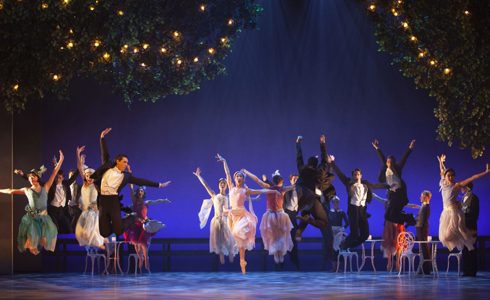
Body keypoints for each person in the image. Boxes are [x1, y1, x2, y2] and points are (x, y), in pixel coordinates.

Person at [90, 128, 171, 238]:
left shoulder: (126, 176)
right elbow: (104, 153)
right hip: (103, 200)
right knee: (104, 233)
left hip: (113, 200)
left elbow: (141, 181)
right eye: (124, 162)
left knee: (118, 231)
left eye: (127, 162)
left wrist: (159, 185)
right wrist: (102, 138)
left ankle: (131, 217)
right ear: (117, 161)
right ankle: (112, 224)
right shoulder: (107, 167)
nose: (126, 164)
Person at [216, 153, 280, 274]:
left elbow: (261, 190)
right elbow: (227, 174)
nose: (238, 178)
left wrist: (273, 191)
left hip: (242, 214)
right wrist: (224, 161)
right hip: (233, 215)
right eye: (237, 176)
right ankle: (242, 262)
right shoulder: (231, 187)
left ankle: (242, 260)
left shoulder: (246, 190)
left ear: (243, 179)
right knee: (240, 244)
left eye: (241, 176)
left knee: (241, 231)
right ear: (235, 179)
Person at [1, 151, 64, 254]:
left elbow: (54, 173)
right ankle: (32, 244)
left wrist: (61, 160)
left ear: (38, 178)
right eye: (30, 177)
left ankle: (40, 240)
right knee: (31, 246)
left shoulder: (46, 187)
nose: (31, 178)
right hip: (32, 218)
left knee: (47, 238)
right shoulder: (27, 190)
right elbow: (11, 191)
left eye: (33, 176)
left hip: (44, 218)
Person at [328, 154, 388, 250]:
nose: (356, 176)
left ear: (361, 175)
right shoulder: (349, 183)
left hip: (362, 210)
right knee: (354, 234)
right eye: (355, 174)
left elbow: (376, 186)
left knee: (365, 235)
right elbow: (340, 174)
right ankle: (344, 244)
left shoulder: (365, 184)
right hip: (353, 210)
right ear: (353, 176)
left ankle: (347, 245)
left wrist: (388, 186)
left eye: (358, 174)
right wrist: (333, 163)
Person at [243, 169, 294, 267]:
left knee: (275, 236)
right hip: (278, 214)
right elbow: (294, 186)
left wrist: (247, 172)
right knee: (279, 235)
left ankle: (277, 254)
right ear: (281, 182)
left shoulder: (270, 187)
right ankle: (278, 254)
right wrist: (293, 183)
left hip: (273, 215)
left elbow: (257, 180)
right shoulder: (281, 188)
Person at [437, 154, 488, 252]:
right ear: (446, 176)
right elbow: (442, 171)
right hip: (445, 212)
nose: (451, 177)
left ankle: (469, 234)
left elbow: (472, 178)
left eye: (452, 175)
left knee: (456, 233)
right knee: (444, 237)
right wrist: (441, 162)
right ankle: (468, 233)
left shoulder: (457, 186)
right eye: (449, 175)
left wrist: (485, 172)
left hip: (454, 213)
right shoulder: (443, 183)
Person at [124, 181, 169, 273]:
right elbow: (131, 190)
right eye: (139, 191)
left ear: (143, 193)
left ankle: (146, 261)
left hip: (144, 225)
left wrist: (164, 200)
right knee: (137, 244)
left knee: (144, 244)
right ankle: (140, 259)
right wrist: (130, 181)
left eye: (142, 191)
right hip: (136, 225)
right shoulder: (135, 202)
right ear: (138, 192)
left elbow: (156, 201)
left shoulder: (146, 203)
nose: (141, 192)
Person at [194, 167, 237, 264]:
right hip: (217, 221)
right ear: (218, 185)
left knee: (230, 243)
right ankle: (223, 266)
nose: (222, 184)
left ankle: (232, 265)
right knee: (219, 244)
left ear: (226, 186)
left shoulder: (228, 197)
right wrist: (199, 176)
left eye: (224, 183)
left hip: (226, 221)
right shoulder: (214, 196)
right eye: (221, 183)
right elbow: (206, 185)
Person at [371, 139, 417, 227]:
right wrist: (377, 148)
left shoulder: (398, 169)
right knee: (388, 216)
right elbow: (382, 158)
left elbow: (404, 159)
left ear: (394, 163)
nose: (389, 164)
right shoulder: (386, 169)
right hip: (392, 195)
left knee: (390, 215)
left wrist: (410, 148)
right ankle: (407, 217)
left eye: (391, 162)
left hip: (399, 195)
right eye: (388, 162)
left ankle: (408, 218)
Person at [74, 146, 106, 249]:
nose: (89, 178)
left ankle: (100, 243)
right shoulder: (84, 183)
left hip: (93, 212)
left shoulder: (96, 184)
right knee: (80, 234)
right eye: (87, 176)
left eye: (91, 176)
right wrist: (78, 154)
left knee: (89, 233)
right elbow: (79, 167)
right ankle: (99, 243)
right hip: (85, 212)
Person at [461, 182, 479, 276]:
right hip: (464, 227)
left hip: (471, 227)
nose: (461, 189)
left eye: (462, 187)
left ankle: (472, 271)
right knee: (465, 249)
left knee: (471, 249)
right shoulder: (462, 198)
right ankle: (466, 270)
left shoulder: (474, 198)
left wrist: (467, 218)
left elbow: (475, 213)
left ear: (467, 188)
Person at [283, 174, 300, 269]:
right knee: (284, 241)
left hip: (294, 216)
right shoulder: (286, 188)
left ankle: (295, 263)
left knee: (293, 242)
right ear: (290, 179)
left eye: (296, 179)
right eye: (293, 178)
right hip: (287, 215)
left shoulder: (298, 189)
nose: (295, 180)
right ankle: (281, 264)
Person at [415, 190, 432, 274]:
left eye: (422, 196)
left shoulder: (426, 206)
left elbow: (422, 219)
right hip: (420, 228)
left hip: (422, 228)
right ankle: (424, 268)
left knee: (424, 248)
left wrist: (418, 224)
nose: (420, 198)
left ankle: (426, 269)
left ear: (426, 197)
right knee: (422, 248)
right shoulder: (423, 206)